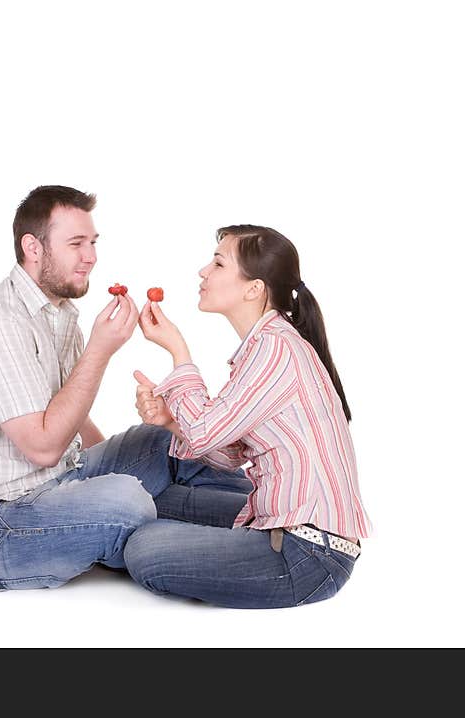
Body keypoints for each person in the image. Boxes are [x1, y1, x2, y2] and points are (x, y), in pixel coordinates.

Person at [0, 186, 252, 591]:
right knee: (126, 500)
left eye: (93, 242)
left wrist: (123, 459)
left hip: (53, 484)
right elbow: (44, 446)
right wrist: (101, 351)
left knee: (158, 442)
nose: (91, 257)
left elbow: (70, 416)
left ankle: (259, 510)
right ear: (33, 247)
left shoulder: (58, 314)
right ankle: (212, 532)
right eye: (76, 244)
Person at [125, 224, 373, 608]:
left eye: (218, 263)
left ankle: (137, 545)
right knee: (156, 500)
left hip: (307, 556)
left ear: (253, 288)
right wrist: (170, 421)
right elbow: (227, 456)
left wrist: (178, 352)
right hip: (280, 525)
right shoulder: (265, 345)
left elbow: (206, 435)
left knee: (143, 547)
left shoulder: (276, 348)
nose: (203, 272)